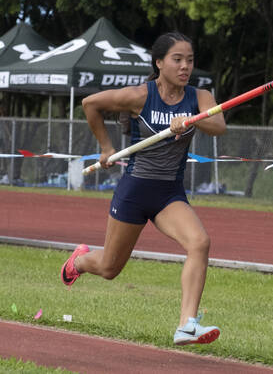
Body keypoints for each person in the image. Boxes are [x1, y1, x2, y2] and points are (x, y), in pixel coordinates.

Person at [60, 32, 226, 346]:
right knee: (109, 268)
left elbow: (219, 126)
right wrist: (106, 146)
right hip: (135, 191)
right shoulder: (140, 95)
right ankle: (79, 261)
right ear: (159, 62)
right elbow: (90, 104)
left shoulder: (199, 97)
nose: (185, 66)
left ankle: (187, 325)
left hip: (169, 194)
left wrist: (192, 119)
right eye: (177, 59)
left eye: (189, 60)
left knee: (200, 243)